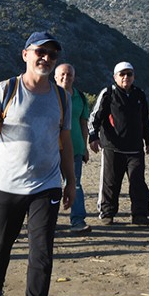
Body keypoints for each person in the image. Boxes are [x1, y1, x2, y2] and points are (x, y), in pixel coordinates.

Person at [0, 31, 75, 296]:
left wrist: (71, 182)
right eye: (40, 52)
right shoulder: (6, 89)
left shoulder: (61, 97)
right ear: (25, 55)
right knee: (0, 244)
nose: (46, 58)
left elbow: (65, 141)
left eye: (52, 54)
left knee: (42, 249)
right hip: (7, 183)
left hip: (46, 185)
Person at [88, 61, 149, 226]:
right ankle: (107, 214)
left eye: (129, 74)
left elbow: (145, 120)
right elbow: (95, 117)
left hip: (135, 149)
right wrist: (93, 136)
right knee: (110, 183)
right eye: (122, 74)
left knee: (138, 182)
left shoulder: (140, 95)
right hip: (112, 148)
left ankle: (139, 215)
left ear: (134, 76)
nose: (126, 77)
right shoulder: (108, 93)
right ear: (115, 77)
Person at [54, 63, 91, 233]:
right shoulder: (48, 95)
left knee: (74, 183)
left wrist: (84, 147)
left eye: (69, 75)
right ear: (55, 77)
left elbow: (84, 124)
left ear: (74, 77)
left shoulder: (80, 98)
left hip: (74, 148)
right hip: (50, 148)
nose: (65, 78)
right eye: (62, 74)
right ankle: (47, 221)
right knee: (50, 186)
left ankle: (78, 221)